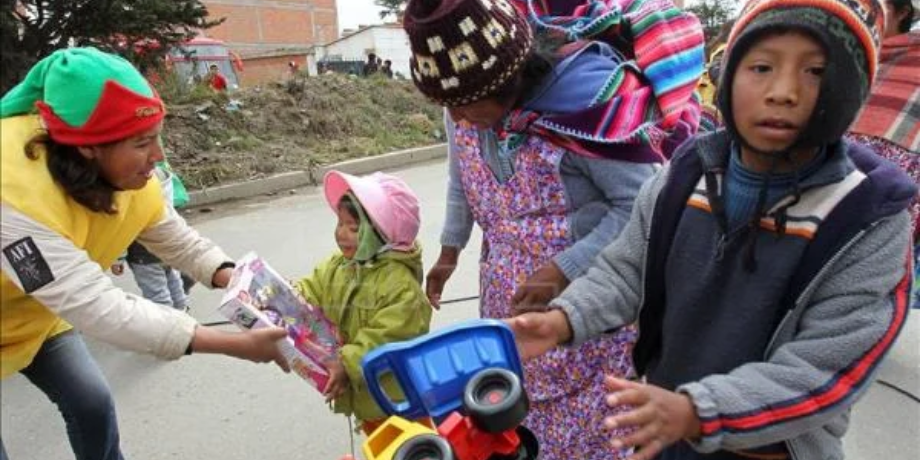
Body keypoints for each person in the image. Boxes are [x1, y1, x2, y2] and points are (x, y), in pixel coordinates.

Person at [508, 1, 915, 459]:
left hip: (770, 449)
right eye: (761, 67)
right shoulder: (685, 175)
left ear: (850, 91)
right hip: (670, 428)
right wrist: (563, 318)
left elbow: (824, 368)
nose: (783, 91)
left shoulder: (866, 218)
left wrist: (698, 411)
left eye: (816, 72)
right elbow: (625, 269)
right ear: (727, 77)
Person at [404, 0, 703, 459]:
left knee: (593, 444)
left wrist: (564, 269)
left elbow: (643, 206)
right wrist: (450, 250)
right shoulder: (461, 104)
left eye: (464, 105)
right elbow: (460, 178)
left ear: (507, 80)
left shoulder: (586, 106)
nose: (458, 119)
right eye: (449, 106)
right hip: (511, 310)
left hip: (590, 321)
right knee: (518, 430)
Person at [0, 47, 287, 460]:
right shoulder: (14, 197)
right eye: (141, 143)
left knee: (92, 403)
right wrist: (235, 344)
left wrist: (248, 282)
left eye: (157, 137)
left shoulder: (131, 179)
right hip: (45, 299)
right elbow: (98, 308)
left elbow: (180, 243)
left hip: (36, 315)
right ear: (88, 148)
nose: (159, 156)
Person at [293, 171, 432, 436]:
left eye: (354, 228)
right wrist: (287, 295)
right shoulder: (339, 266)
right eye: (340, 223)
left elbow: (385, 339)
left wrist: (345, 363)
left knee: (405, 447)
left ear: (382, 233)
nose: (341, 234)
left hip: (396, 399)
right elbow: (312, 288)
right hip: (365, 398)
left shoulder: (401, 287)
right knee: (376, 443)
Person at [847, 0, 919, 307]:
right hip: (814, 207)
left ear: (903, 12)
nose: (861, 11)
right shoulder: (838, 58)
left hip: (890, 232)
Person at [111, 165, 190, 311]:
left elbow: (120, 229)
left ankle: (168, 325)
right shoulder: (160, 176)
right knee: (175, 283)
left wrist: (117, 258)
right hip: (167, 248)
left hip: (143, 257)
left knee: (158, 296)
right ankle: (183, 313)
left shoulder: (127, 188)